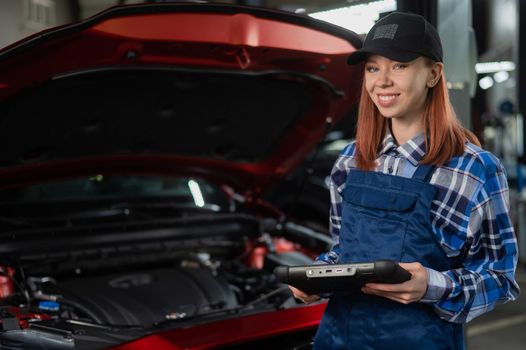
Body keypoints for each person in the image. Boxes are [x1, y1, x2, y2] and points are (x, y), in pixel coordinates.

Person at [288, 11, 520, 350]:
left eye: (399, 65)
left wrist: (432, 286)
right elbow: (344, 251)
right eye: (372, 67)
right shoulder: (350, 161)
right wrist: (317, 277)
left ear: (433, 74)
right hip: (339, 339)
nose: (382, 80)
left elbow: (500, 278)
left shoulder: (473, 169)